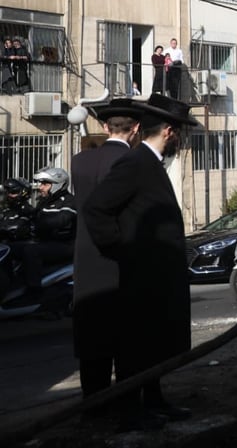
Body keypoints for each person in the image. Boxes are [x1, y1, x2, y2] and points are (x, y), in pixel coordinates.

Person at [83, 92, 199, 432]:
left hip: (159, 277)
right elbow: (97, 209)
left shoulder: (151, 163)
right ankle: (132, 410)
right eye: (179, 132)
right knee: (137, 347)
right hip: (143, 277)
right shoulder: (135, 163)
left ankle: (154, 399)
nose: (180, 139)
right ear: (168, 131)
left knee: (156, 345)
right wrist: (125, 250)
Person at [71, 98, 142, 401]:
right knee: (126, 339)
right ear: (136, 129)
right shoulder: (135, 164)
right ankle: (128, 402)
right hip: (121, 262)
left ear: (104, 127)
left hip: (86, 263)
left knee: (92, 338)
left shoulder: (79, 161)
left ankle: (93, 400)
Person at [15, 167, 76, 291]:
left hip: (64, 245)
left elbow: (62, 219)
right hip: (44, 242)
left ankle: (33, 292)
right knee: (10, 248)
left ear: (58, 184)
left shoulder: (70, 201)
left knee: (31, 251)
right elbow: (32, 217)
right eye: (40, 183)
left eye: (45, 184)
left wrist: (38, 225)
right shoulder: (44, 201)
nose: (40, 187)